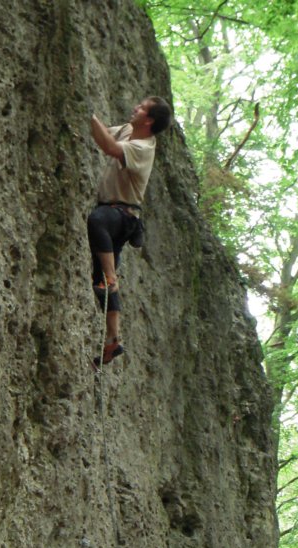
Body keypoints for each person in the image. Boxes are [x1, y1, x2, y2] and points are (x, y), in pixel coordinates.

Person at [87, 96, 172, 368]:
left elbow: (110, 148)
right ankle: (114, 337)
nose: (135, 108)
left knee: (97, 220)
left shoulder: (143, 147)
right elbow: (103, 137)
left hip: (121, 216)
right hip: (118, 215)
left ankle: (112, 277)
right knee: (99, 281)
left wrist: (88, 112)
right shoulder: (127, 130)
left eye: (142, 108)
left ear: (149, 120)